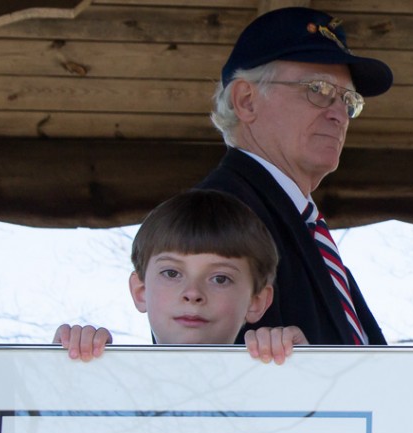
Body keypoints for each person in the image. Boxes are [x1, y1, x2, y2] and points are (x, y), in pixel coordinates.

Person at [197, 6, 393, 345]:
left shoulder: (300, 221)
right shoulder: (216, 212)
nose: (338, 115)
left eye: (348, 101)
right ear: (246, 101)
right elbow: (200, 370)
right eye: (318, 89)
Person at [55, 188, 306, 363]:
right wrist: (62, 366)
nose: (193, 293)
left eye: (220, 278)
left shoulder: (280, 380)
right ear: (141, 292)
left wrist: (309, 369)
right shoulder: (104, 383)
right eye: (172, 273)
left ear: (256, 302)